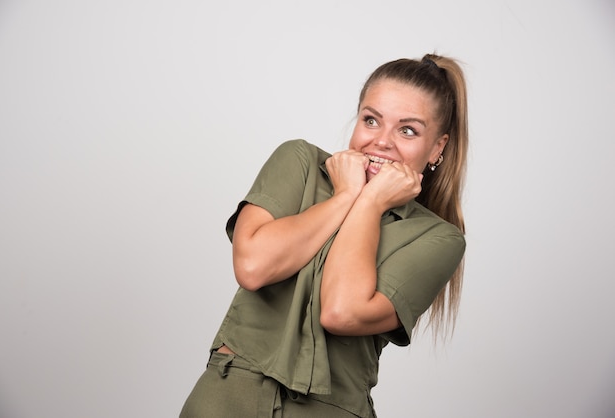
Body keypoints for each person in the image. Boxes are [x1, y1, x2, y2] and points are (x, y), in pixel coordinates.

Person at [180, 53, 468, 418]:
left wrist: (369, 203)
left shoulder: (438, 239)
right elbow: (253, 266)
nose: (382, 141)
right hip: (227, 397)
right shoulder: (300, 162)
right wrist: (346, 194)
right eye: (371, 120)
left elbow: (340, 311)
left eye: (407, 130)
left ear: (437, 148)